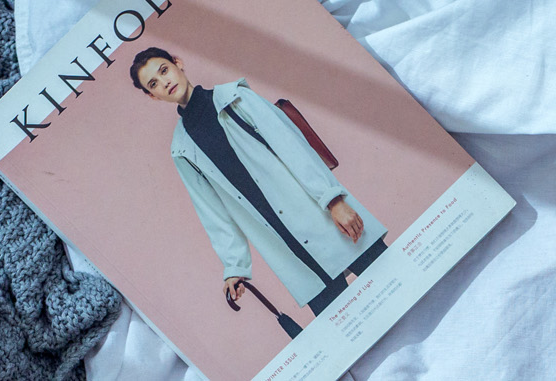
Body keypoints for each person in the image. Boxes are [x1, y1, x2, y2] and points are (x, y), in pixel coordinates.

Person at [129, 47, 387, 316]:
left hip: (318, 214)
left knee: (392, 279)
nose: (165, 82)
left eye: (164, 70)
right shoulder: (182, 149)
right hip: (280, 243)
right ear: (152, 96)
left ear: (178, 63)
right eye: (153, 84)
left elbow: (293, 148)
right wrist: (235, 267)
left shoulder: (236, 98)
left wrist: (333, 200)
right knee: (344, 321)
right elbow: (212, 211)